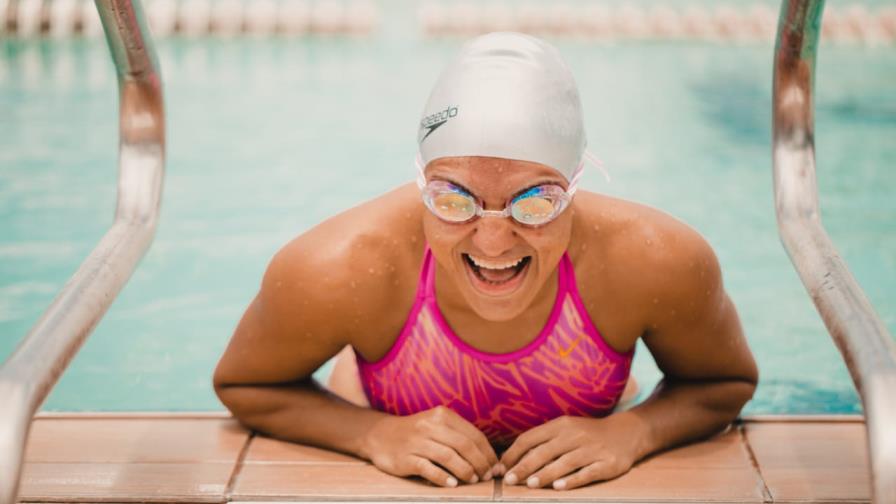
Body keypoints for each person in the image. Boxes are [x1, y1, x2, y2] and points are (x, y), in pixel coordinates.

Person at [213, 32, 758, 491]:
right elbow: (246, 385)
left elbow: (721, 382)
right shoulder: (344, 265)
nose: (493, 242)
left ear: (574, 187)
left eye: (536, 202)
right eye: (453, 199)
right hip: (375, 406)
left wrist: (633, 433)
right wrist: (370, 435)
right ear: (421, 184)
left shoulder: (652, 259)